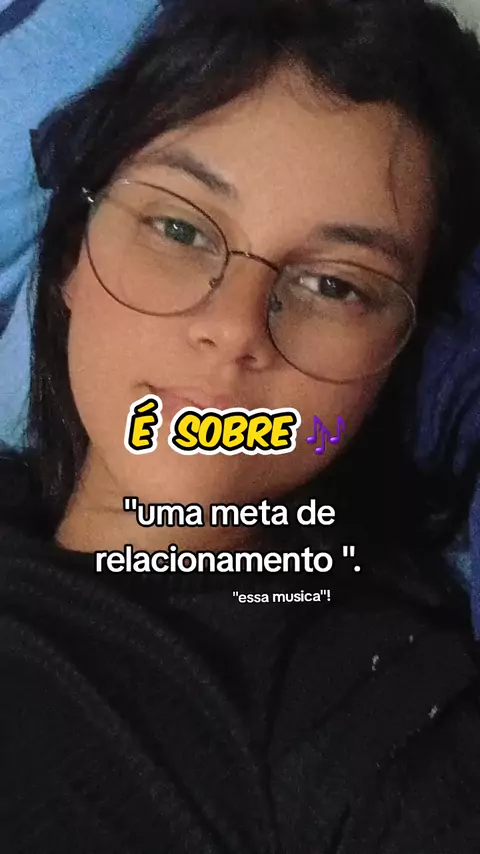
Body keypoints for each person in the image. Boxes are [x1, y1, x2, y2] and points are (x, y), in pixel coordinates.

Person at [1, 0, 480, 850]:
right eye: (180, 228)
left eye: (336, 284)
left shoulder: (370, 718)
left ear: (397, 358)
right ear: (73, 253)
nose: (234, 328)